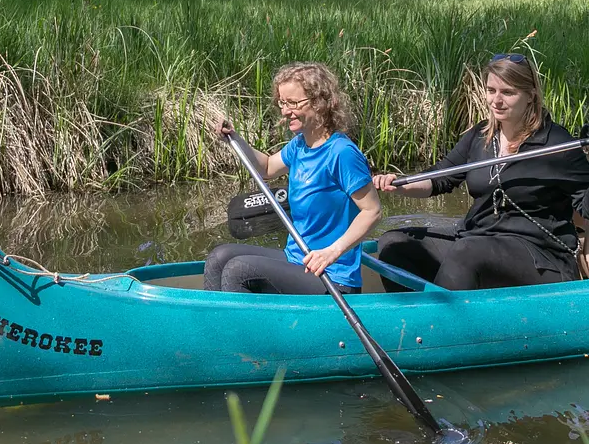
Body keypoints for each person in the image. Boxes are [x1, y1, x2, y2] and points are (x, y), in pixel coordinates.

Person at [373, 53, 589, 291]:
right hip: (478, 237)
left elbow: (585, 205)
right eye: (490, 90)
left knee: (467, 252)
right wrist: (399, 184)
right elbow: (439, 179)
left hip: (541, 254)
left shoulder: (558, 144)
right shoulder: (480, 136)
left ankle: (440, 324)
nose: (496, 100)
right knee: (393, 243)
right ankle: (412, 321)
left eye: (507, 92)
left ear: (530, 96)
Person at [204, 62, 382, 295]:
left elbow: (373, 212)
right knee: (219, 257)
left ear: (319, 103)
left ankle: (244, 331)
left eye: (293, 103)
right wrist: (235, 140)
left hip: (332, 276)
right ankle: (217, 326)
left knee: (239, 270)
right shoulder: (300, 145)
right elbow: (267, 167)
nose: (285, 111)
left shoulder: (341, 153)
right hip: (296, 260)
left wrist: (331, 252)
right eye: (282, 103)